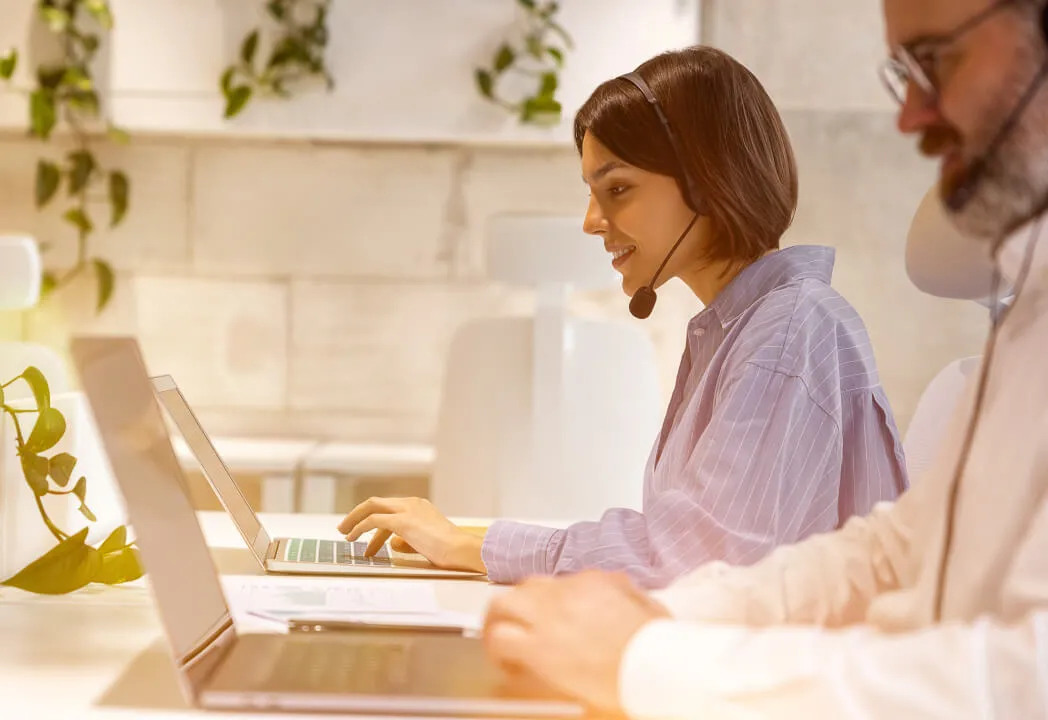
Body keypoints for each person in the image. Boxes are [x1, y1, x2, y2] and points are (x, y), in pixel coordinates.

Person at [480, 0, 1048, 716]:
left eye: (937, 59)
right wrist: (660, 626)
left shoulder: (789, 332)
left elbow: (1027, 677)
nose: (908, 115)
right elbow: (889, 553)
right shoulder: (1028, 322)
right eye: (902, 72)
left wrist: (647, 656)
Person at [337, 46, 908, 589]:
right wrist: (468, 539)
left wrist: (473, 548)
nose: (591, 220)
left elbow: (695, 561)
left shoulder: (788, 333)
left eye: (617, 188)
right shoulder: (744, 327)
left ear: (708, 180)